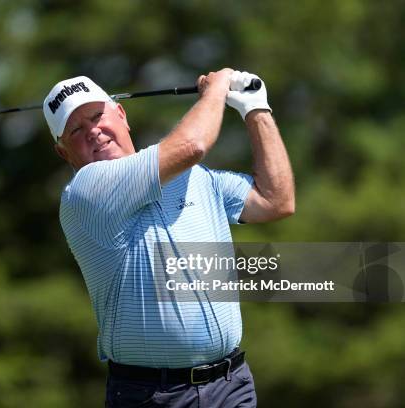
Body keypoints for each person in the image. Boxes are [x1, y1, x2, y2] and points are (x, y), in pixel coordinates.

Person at [42, 68, 295, 407]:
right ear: (63, 153)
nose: (94, 132)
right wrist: (216, 91)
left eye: (97, 115)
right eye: (75, 129)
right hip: (153, 396)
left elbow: (276, 200)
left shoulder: (195, 178)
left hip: (231, 385)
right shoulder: (85, 193)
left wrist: (255, 109)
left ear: (121, 114)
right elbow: (193, 144)